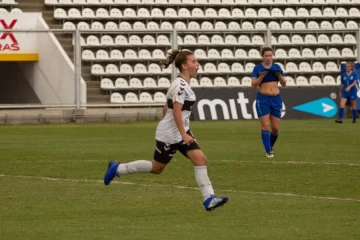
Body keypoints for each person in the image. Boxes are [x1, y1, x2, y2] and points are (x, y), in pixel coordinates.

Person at [103, 49, 228, 212]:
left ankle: (209, 199)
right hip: (171, 134)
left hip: (180, 131)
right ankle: (118, 169)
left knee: (200, 159)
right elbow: (176, 111)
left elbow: (166, 108)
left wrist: (183, 131)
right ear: (184, 65)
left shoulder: (183, 84)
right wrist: (182, 134)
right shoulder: (180, 86)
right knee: (157, 168)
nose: (198, 64)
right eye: (194, 61)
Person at [251, 46, 287, 157]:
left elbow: (284, 83)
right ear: (262, 57)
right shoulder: (257, 68)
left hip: (276, 99)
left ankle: (270, 146)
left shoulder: (277, 67)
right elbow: (253, 85)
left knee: (275, 129)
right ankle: (268, 151)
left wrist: (279, 75)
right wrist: (261, 76)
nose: (268, 58)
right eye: (266, 56)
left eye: (270, 55)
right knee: (265, 125)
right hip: (263, 99)